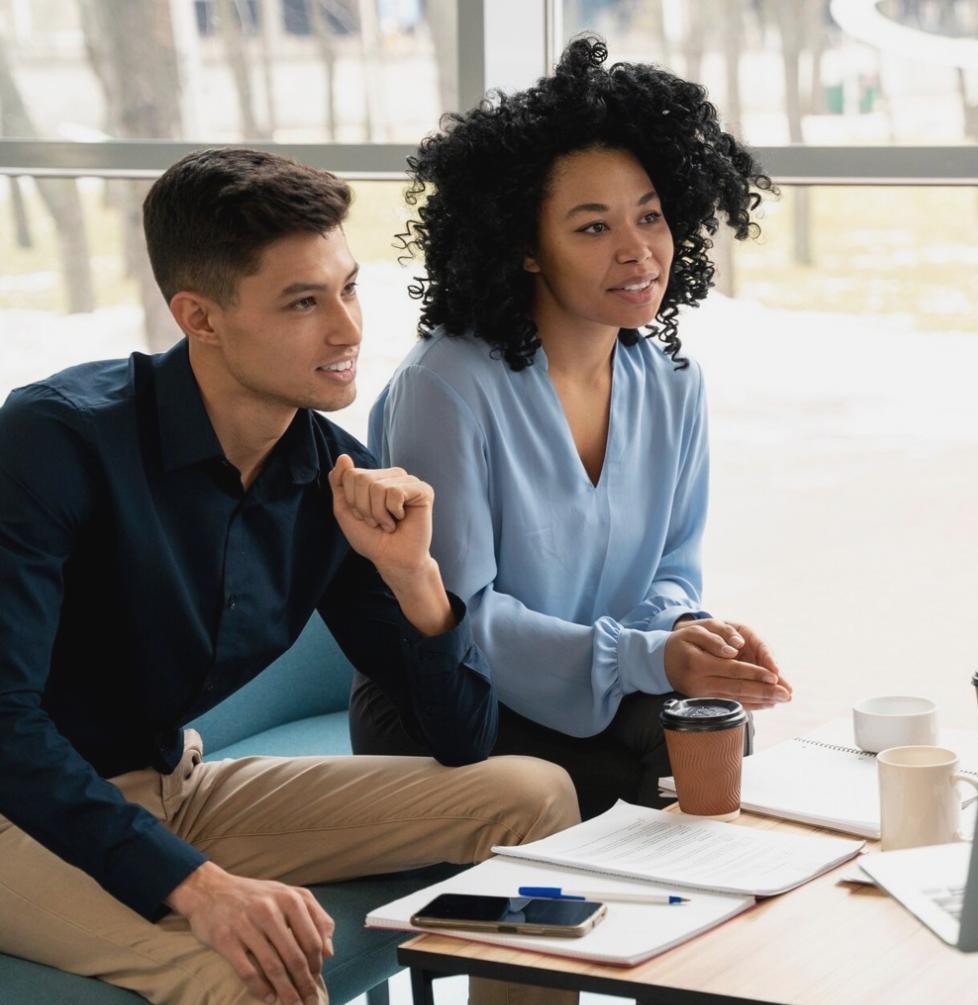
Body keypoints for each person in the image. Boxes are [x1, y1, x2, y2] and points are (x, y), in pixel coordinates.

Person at [0, 147, 579, 1005]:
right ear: (198, 315)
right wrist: (199, 885)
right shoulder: (56, 441)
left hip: (176, 784)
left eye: (348, 288)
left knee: (534, 794)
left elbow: (461, 742)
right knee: (249, 972)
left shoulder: (331, 475)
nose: (346, 330)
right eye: (304, 302)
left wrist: (414, 576)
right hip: (19, 812)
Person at [350, 36, 792, 818]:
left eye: (650, 217)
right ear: (525, 246)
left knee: (710, 731)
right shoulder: (445, 386)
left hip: (593, 681)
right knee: (643, 777)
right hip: (448, 701)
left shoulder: (673, 387)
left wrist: (692, 643)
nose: (637, 250)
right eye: (593, 228)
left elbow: (672, 571)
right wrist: (645, 658)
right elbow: (462, 617)